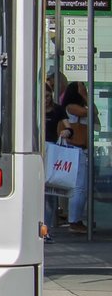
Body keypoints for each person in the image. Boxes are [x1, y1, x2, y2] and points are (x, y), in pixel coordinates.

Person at [60, 81, 97, 233]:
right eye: (82, 88)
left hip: (82, 150)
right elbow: (88, 112)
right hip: (76, 149)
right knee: (79, 187)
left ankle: (76, 219)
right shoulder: (71, 107)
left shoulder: (78, 108)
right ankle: (74, 221)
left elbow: (93, 112)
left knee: (82, 187)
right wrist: (85, 96)